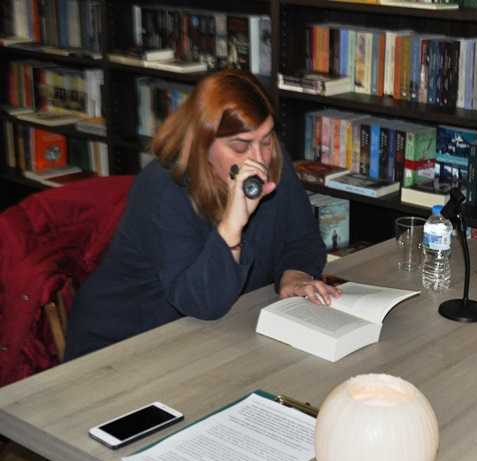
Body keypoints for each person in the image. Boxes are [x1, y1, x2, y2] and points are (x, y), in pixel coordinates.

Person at [66, 70, 339, 359]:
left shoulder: (272, 163)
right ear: (202, 143)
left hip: (217, 332)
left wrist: (295, 276)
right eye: (240, 145)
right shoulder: (163, 188)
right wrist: (233, 225)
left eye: (267, 139)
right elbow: (202, 303)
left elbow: (302, 239)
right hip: (126, 344)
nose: (259, 159)